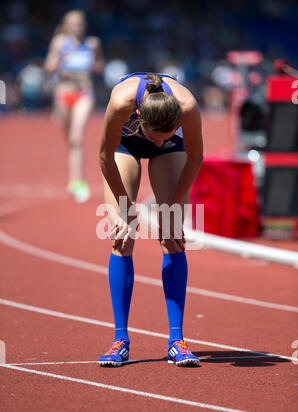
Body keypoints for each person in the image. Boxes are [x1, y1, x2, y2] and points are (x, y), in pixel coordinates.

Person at [98, 72, 203, 367]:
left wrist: (171, 206)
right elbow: (105, 156)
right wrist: (124, 209)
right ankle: (120, 340)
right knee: (122, 235)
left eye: (165, 137)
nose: (158, 145)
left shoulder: (187, 105)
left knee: (172, 236)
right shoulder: (121, 102)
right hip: (125, 146)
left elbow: (195, 158)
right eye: (156, 139)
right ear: (140, 119)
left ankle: (177, 340)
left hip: (174, 152)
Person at [44, 10, 104, 202]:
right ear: (66, 25)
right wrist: (63, 56)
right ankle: (74, 179)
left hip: (84, 93)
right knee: (70, 140)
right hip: (63, 93)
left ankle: (79, 181)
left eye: (80, 23)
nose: (77, 27)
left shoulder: (92, 43)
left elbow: (100, 67)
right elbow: (48, 68)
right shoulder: (60, 43)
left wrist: (94, 56)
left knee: (77, 138)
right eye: (73, 24)